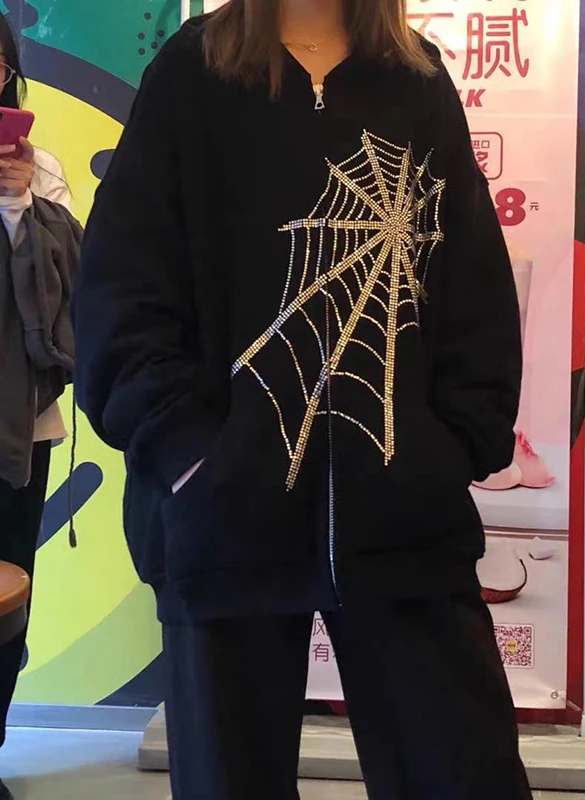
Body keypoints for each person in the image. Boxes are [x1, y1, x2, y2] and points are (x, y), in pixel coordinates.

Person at [72, 1, 529, 798]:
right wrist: (187, 454)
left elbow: (475, 282)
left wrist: (454, 443)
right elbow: (122, 288)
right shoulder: (192, 73)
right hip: (220, 519)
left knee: (465, 774)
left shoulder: (416, 80)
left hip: (406, 519)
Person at [0, 13, 76, 800]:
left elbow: (70, 285)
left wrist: (20, 209)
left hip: (21, 425)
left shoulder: (39, 168)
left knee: (6, 602)